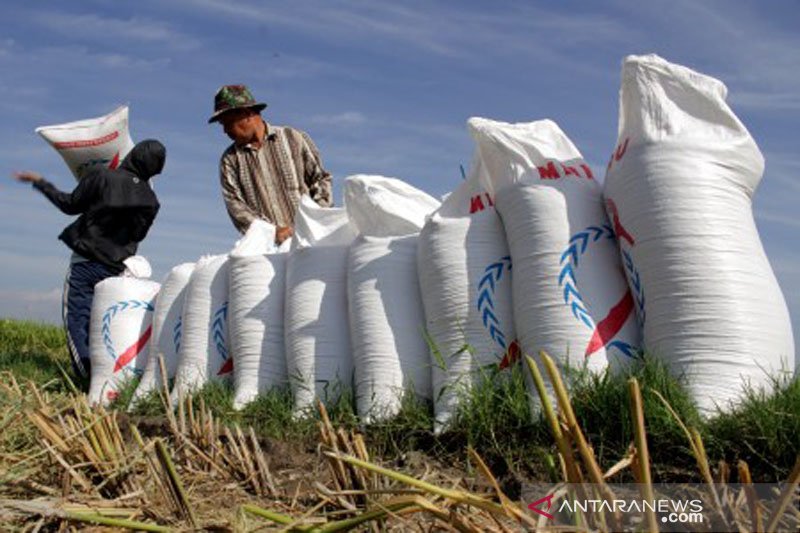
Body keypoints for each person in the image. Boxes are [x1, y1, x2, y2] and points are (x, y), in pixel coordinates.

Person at [13, 139, 166, 385]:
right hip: (116, 270)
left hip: (85, 262)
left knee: (78, 319)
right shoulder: (151, 201)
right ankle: (108, 377)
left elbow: (69, 205)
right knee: (103, 323)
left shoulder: (102, 176)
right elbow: (138, 235)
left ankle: (86, 378)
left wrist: (40, 183)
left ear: (133, 156)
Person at [209, 84, 332, 243]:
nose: (225, 131)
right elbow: (236, 206)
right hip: (268, 249)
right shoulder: (230, 160)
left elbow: (320, 179)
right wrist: (273, 233)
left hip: (311, 239)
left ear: (247, 114)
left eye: (228, 123)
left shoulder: (293, 138)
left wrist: (316, 220)